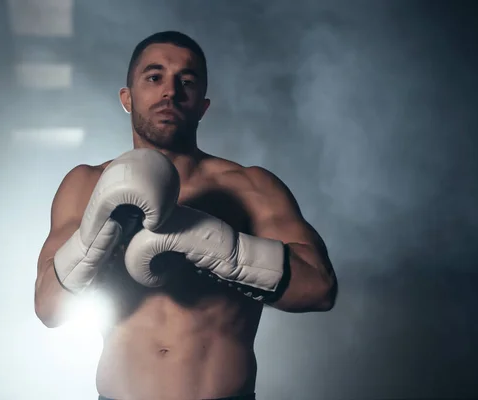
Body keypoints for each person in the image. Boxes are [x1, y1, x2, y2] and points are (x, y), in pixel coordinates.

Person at [34, 31, 337, 400]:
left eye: (187, 81)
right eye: (154, 76)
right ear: (127, 98)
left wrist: (213, 243)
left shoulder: (249, 187)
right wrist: (99, 234)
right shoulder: (85, 185)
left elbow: (319, 289)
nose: (170, 91)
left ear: (202, 105)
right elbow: (48, 307)